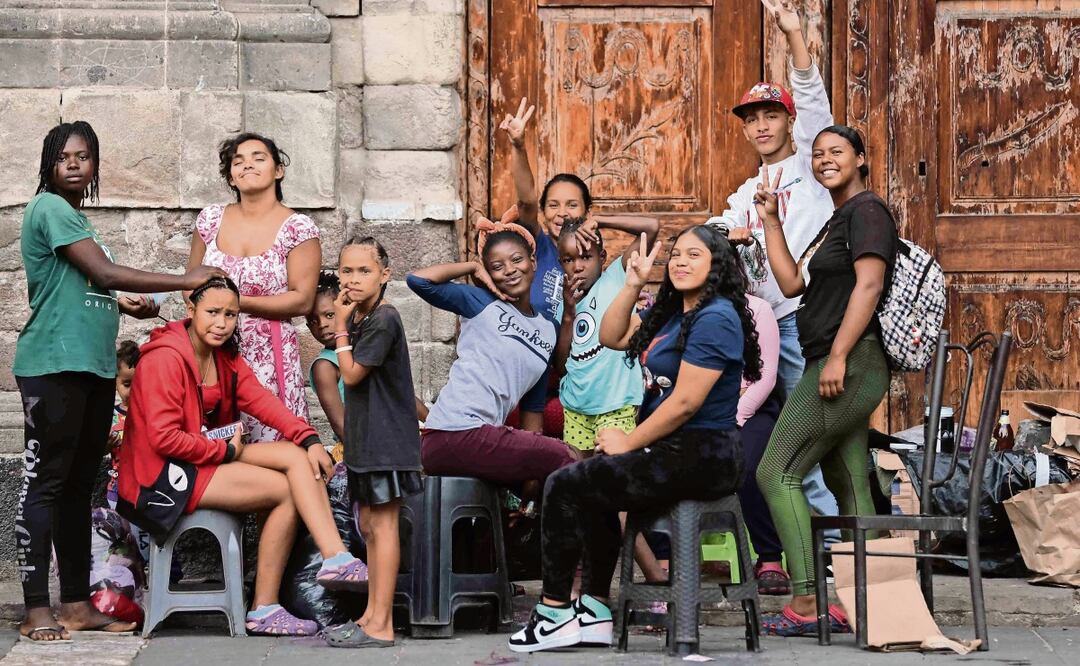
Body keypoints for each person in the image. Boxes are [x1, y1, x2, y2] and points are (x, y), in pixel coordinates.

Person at [13, 121, 225, 643]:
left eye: (83, 156)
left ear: (95, 165)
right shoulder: (49, 208)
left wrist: (127, 300)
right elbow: (104, 273)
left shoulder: (82, 221)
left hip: (91, 366)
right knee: (47, 484)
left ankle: (77, 605)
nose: (74, 164)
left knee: (78, 488)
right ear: (47, 163)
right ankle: (37, 608)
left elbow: (94, 283)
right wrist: (183, 281)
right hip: (53, 364)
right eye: (63, 156)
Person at [508, 226, 762, 653]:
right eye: (676, 254)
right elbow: (611, 336)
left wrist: (629, 440)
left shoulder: (716, 316)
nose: (680, 262)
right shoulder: (674, 312)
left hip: (705, 452)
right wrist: (631, 284)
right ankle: (594, 610)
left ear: (716, 264)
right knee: (588, 482)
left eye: (693, 255)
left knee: (566, 484)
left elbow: (685, 402)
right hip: (673, 450)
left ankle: (553, 614)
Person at [116, 276, 369, 636]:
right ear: (191, 310)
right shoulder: (164, 360)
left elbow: (262, 401)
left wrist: (309, 438)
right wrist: (224, 450)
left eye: (231, 314)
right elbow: (164, 439)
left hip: (200, 456)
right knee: (284, 490)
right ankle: (264, 607)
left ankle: (336, 558)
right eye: (212, 312)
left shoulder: (223, 356)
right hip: (161, 476)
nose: (222, 323)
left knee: (295, 456)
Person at [751, 125, 897, 635]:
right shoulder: (836, 221)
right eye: (817, 154)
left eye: (837, 151)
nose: (825, 159)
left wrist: (837, 355)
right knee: (847, 478)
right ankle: (880, 601)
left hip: (848, 362)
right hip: (837, 361)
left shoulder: (869, 211)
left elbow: (870, 283)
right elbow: (792, 283)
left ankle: (807, 604)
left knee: (775, 471)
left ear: (861, 158)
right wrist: (770, 220)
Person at [707, 0, 842, 538]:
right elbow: (714, 230)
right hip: (760, 327)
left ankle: (836, 547)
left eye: (770, 115)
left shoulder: (811, 166)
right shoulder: (746, 191)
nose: (761, 126)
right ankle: (815, 547)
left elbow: (813, 100)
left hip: (802, 321)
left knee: (808, 438)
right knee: (785, 441)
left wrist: (794, 34)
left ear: (788, 122)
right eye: (752, 119)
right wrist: (730, 232)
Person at [500, 98, 657, 433]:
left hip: (588, 378)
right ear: (543, 213)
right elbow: (526, 199)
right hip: (537, 369)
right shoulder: (538, 248)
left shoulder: (606, 270)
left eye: (573, 205)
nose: (563, 213)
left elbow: (650, 231)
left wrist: (603, 222)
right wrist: (518, 144)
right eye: (554, 205)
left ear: (587, 211)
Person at [407, 224, 578, 488]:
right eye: (497, 267)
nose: (509, 270)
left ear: (533, 262)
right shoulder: (480, 301)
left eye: (517, 260)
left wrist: (529, 489)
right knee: (566, 456)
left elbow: (532, 410)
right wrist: (473, 267)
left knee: (521, 491)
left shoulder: (547, 330)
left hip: (484, 440)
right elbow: (418, 280)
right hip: (451, 431)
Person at [321, 237, 423, 649]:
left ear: (384, 274)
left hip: (387, 443)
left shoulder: (383, 318)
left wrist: (340, 327)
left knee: (382, 527)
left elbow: (351, 375)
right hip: (367, 443)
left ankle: (381, 622)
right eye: (346, 271)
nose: (354, 279)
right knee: (368, 526)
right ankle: (369, 616)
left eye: (365, 271)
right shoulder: (363, 318)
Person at [187, 132, 321, 443]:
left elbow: (302, 300)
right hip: (214, 348)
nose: (248, 165)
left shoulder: (298, 228)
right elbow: (189, 284)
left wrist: (232, 304)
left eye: (258, 158)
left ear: (278, 170)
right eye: (238, 161)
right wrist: (215, 320)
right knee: (217, 442)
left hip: (270, 357)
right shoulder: (209, 221)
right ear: (231, 177)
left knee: (274, 439)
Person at [553, 217, 657, 454]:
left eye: (586, 257)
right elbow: (561, 366)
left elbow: (650, 228)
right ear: (561, 263)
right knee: (580, 475)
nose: (577, 266)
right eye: (569, 260)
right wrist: (569, 314)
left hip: (617, 402)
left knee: (613, 473)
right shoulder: (563, 305)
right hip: (576, 407)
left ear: (602, 258)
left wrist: (599, 220)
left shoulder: (616, 278)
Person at [736, 294, 789, 594]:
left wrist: (736, 416)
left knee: (747, 461)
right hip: (699, 409)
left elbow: (766, 376)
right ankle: (667, 556)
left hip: (752, 407)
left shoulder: (757, 309)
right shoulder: (677, 310)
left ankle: (769, 557)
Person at [307, 271, 346, 444]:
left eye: (329, 315)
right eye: (314, 321)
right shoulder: (325, 366)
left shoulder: (366, 349)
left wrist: (434, 429)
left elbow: (403, 396)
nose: (322, 325)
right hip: (361, 453)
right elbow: (341, 425)